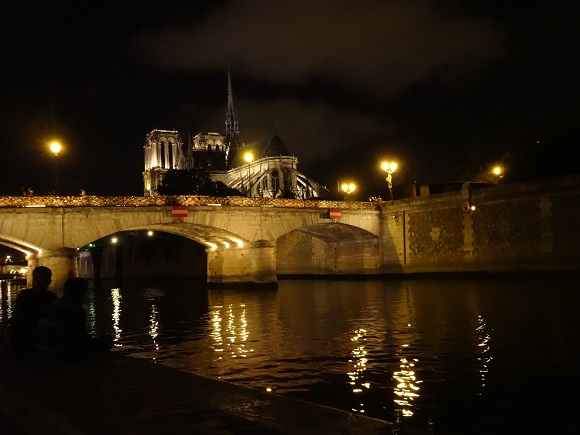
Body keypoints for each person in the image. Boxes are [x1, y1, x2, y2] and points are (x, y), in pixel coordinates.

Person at [36, 277, 113, 361]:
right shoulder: (75, 310)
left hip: (41, 352)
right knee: (106, 340)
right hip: (58, 355)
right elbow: (82, 336)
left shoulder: (52, 304)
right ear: (81, 293)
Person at [2, 266, 57, 358]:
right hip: (26, 336)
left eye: (41, 280)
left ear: (49, 282)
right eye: (36, 280)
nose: (38, 283)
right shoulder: (25, 296)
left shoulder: (50, 298)